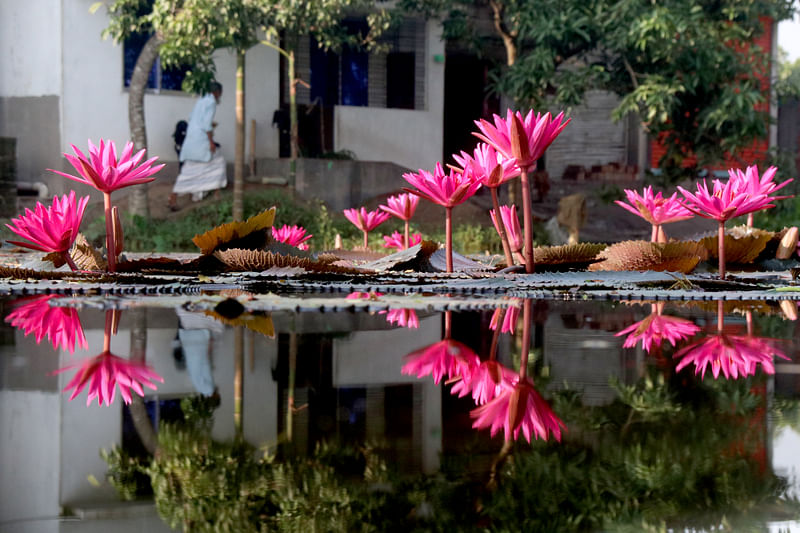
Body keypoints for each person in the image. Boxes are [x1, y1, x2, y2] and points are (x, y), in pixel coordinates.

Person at [168, 82, 227, 210]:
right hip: (200, 140)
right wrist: (211, 142)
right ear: (217, 92)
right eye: (220, 93)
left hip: (191, 138)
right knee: (218, 162)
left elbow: (194, 118)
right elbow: (206, 125)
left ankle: (173, 197)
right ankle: (216, 193)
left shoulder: (202, 100)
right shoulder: (211, 102)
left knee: (189, 169)